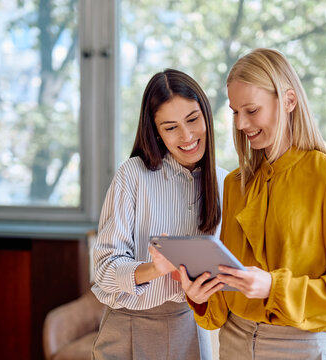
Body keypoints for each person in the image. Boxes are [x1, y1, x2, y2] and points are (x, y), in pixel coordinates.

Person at [178, 48, 326, 359]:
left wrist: (273, 287)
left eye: (251, 110)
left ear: (290, 100)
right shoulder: (235, 184)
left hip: (301, 345)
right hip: (234, 341)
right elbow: (224, 297)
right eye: (235, 111)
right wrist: (199, 294)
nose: (241, 124)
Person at [91, 68, 228, 360]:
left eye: (192, 119)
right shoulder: (133, 175)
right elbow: (104, 270)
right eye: (170, 127)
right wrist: (154, 269)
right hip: (128, 327)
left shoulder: (226, 183)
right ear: (155, 132)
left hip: (191, 327)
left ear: (207, 115)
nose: (187, 135)